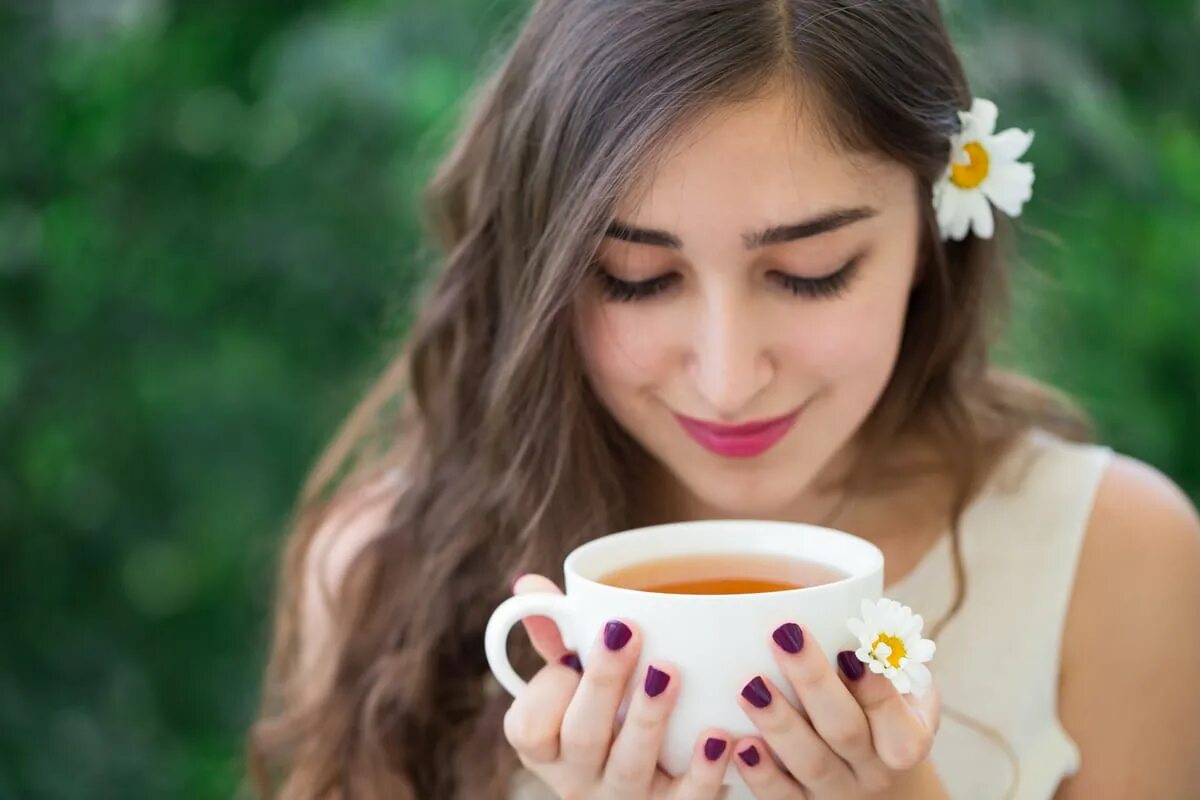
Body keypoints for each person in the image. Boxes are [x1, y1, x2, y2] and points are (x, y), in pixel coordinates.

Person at [247, 1, 1200, 798]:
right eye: (633, 277)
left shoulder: (1112, 563)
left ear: (933, 232)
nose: (728, 377)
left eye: (812, 272)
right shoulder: (381, 577)